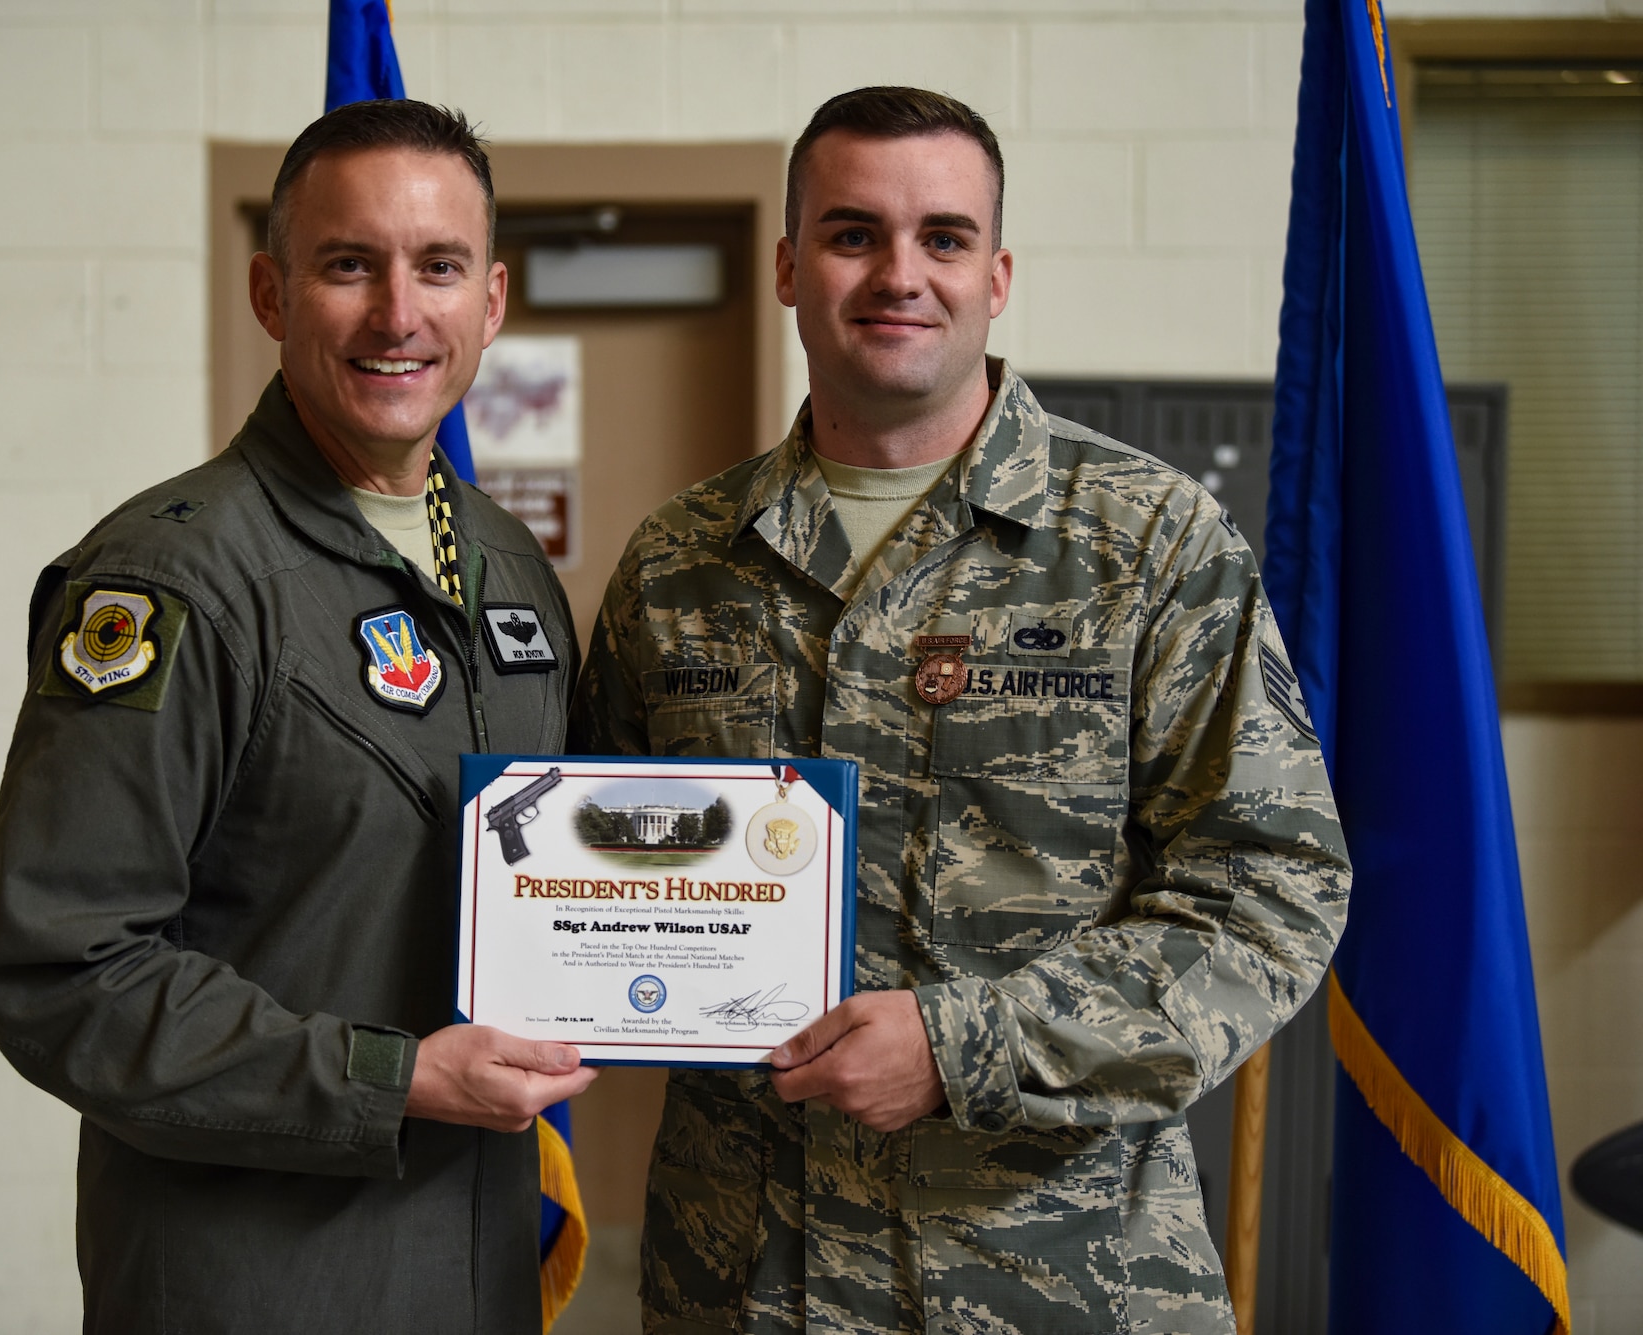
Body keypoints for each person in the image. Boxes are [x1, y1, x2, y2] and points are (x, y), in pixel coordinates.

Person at [569, 86, 1352, 1334]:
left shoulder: (1146, 543)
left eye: (939, 238)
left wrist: (966, 1045)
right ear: (786, 266)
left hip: (1062, 1279)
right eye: (849, 234)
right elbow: (593, 849)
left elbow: (1269, 887)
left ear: (995, 274)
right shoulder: (679, 563)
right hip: (747, 1280)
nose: (898, 274)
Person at [0, 100, 595, 1335]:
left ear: (493, 301)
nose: (398, 314)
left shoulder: (511, 566)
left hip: (472, 1270)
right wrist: (388, 1078)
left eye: (438, 267)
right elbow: (63, 971)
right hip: (257, 1283)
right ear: (270, 292)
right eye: (347, 264)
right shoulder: (170, 583)